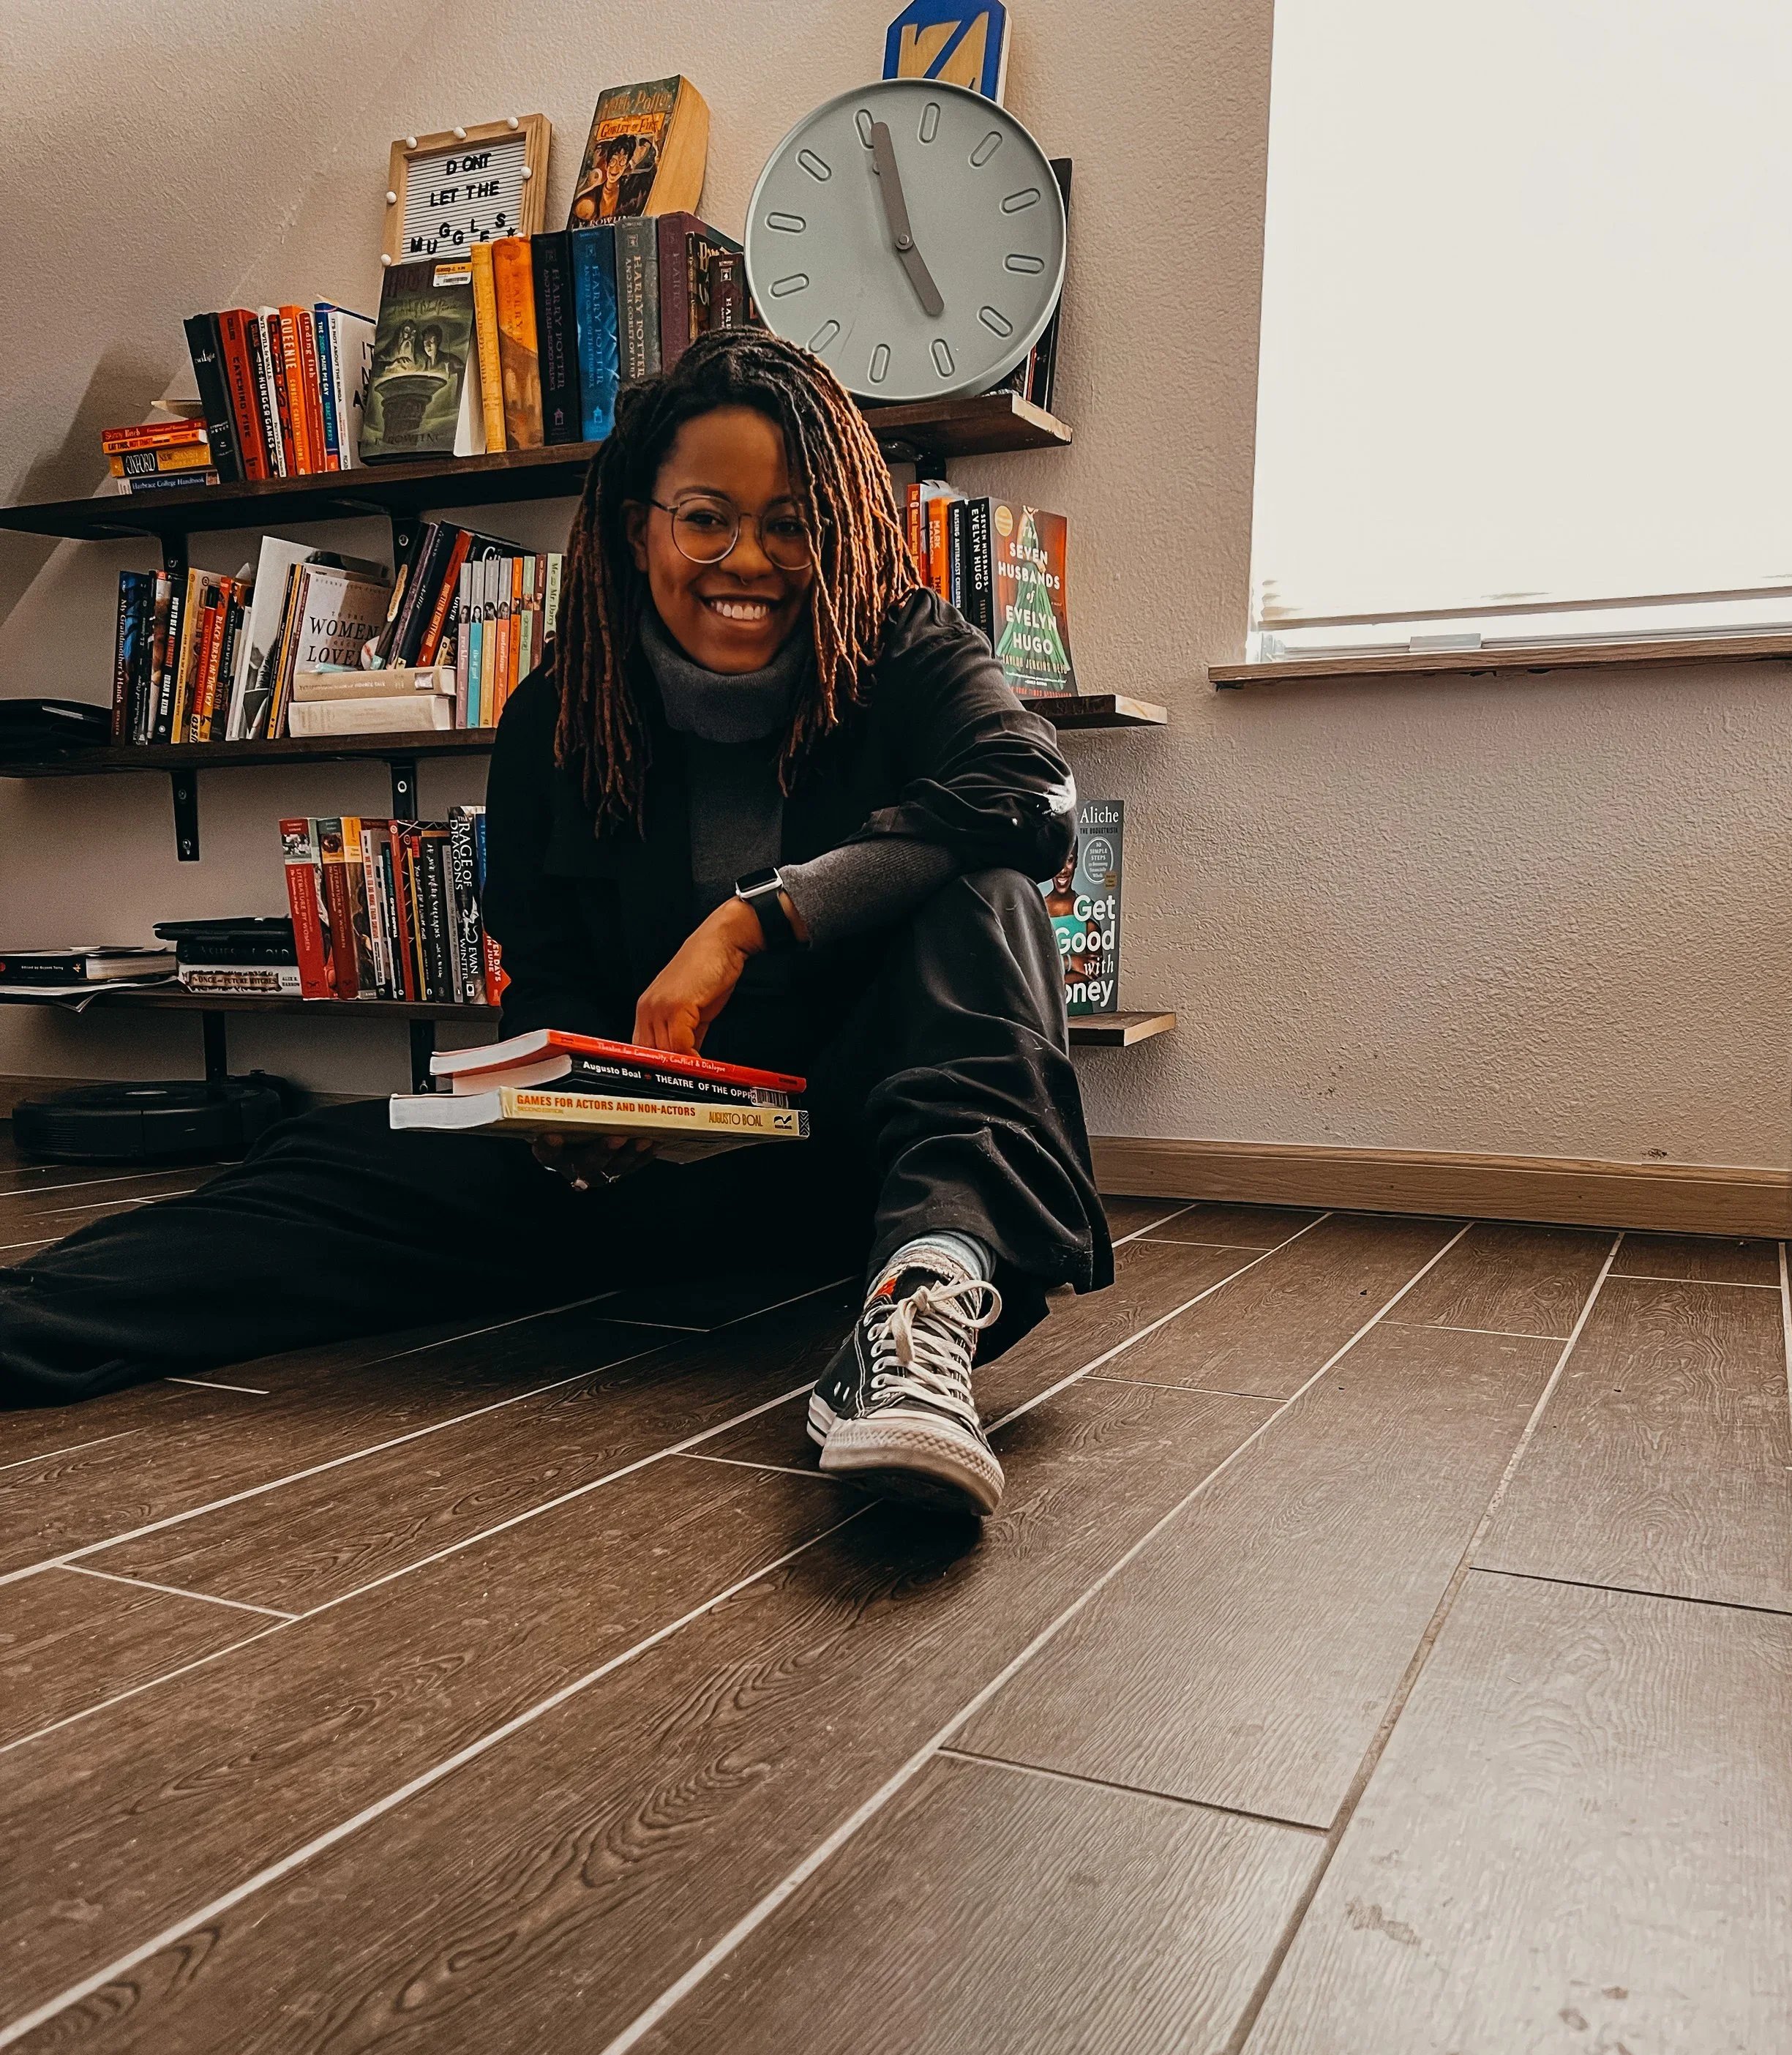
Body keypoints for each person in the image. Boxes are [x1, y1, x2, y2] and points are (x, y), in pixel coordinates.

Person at [0, 331, 1111, 1515]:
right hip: (650, 1177)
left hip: (865, 1166)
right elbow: (547, 970)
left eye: (792, 523)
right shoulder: (560, 714)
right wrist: (569, 1109)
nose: (751, 560)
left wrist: (749, 923)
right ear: (639, 526)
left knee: (984, 897)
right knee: (331, 1159)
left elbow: (1027, 792)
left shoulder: (906, 650)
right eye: (706, 518)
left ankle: (917, 1312)